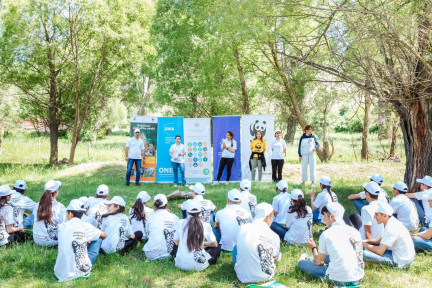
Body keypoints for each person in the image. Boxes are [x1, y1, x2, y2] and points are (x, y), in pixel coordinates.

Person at [298, 203, 364, 287]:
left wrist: (313, 248)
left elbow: (319, 263)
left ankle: (307, 259)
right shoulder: (355, 232)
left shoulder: (326, 234)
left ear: (332, 216)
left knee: (302, 263)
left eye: (325, 216)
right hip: (358, 277)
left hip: (338, 279)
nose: (324, 219)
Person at [54, 200, 107, 282]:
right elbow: (104, 235)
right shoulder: (86, 226)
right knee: (98, 237)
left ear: (70, 214)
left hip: (62, 272)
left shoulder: (61, 227)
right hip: (82, 270)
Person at [233, 203, 281, 284]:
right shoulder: (274, 236)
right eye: (272, 217)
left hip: (242, 276)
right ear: (267, 217)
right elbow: (273, 256)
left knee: (236, 247)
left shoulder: (242, 228)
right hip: (266, 276)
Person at [171, 199, 221, 271]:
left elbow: (176, 243)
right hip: (199, 265)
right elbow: (214, 244)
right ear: (201, 211)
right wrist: (203, 243)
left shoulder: (180, 223)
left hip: (180, 264)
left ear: (187, 212)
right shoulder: (205, 225)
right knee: (217, 248)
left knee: (174, 245)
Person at [363, 202, 415, 268]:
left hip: (399, 261)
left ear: (385, 215)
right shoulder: (392, 221)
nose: (374, 216)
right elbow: (382, 240)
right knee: (368, 249)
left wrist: (364, 244)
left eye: (376, 214)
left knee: (363, 254)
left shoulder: (391, 227)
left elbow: (379, 251)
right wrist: (367, 241)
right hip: (401, 257)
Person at [143, 194, 179, 260]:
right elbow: (178, 237)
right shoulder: (174, 218)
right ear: (167, 205)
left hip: (150, 254)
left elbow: (147, 234)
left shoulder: (150, 217)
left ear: (155, 206)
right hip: (169, 254)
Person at [33, 180, 67, 246]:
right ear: (56, 191)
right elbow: (64, 225)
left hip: (37, 239)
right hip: (51, 241)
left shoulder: (37, 205)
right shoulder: (60, 207)